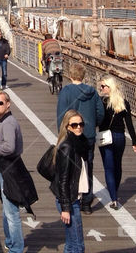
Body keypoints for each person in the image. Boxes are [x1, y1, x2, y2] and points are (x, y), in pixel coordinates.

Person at [0, 91, 37, 253]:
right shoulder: (7, 121)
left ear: (8, 104)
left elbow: (10, 147)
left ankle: (16, 248)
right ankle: (10, 241)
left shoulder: (7, 123)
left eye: (0, 103)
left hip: (10, 170)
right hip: (8, 167)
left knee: (12, 212)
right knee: (7, 209)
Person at [56, 61, 104, 213]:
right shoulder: (92, 92)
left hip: (70, 137)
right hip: (88, 135)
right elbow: (100, 112)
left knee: (70, 167)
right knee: (88, 166)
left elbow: (61, 115)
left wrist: (62, 133)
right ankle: (87, 202)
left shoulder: (66, 92)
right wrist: (91, 126)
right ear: (83, 76)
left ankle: (73, 197)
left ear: (70, 75)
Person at [97, 77, 136, 209]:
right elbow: (129, 124)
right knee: (117, 165)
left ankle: (114, 198)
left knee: (109, 168)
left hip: (106, 137)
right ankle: (115, 189)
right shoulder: (123, 102)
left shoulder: (101, 102)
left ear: (110, 87)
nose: (101, 88)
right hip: (120, 137)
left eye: (103, 86)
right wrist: (134, 141)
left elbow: (97, 119)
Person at [51, 110, 87, 253]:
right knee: (78, 245)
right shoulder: (67, 147)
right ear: (67, 127)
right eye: (74, 125)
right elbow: (63, 180)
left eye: (81, 124)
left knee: (71, 243)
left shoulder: (77, 143)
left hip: (72, 198)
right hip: (70, 201)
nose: (78, 127)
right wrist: (66, 208)